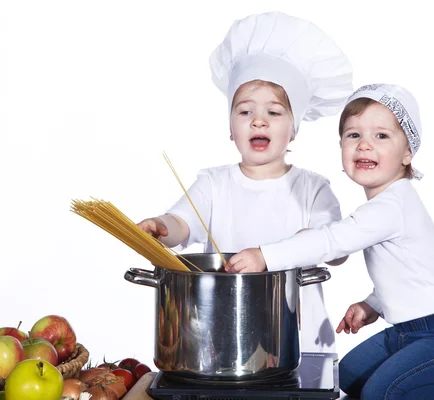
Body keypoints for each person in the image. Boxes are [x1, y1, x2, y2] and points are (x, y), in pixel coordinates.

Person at [225, 84, 434, 399]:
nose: (364, 145)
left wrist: (265, 255)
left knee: (381, 393)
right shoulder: (383, 206)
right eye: (353, 135)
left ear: (408, 152)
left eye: (381, 136)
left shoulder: (393, 204)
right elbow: (411, 272)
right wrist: (372, 304)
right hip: (408, 331)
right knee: (347, 377)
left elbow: (334, 240)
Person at [137, 11, 353, 353]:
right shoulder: (213, 184)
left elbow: (337, 248)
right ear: (230, 126)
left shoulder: (314, 190)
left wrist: (292, 248)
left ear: (293, 127)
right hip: (220, 337)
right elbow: (182, 223)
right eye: (245, 111)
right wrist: (161, 227)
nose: (258, 121)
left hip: (298, 341)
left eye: (274, 112)